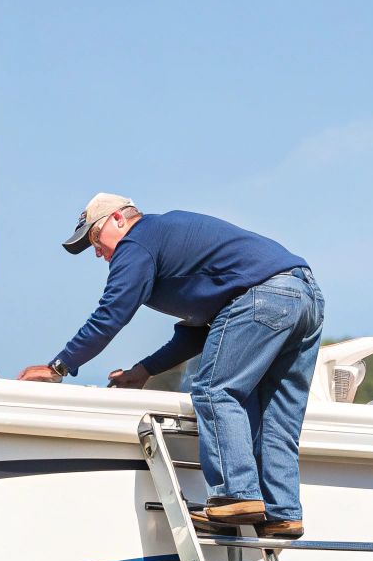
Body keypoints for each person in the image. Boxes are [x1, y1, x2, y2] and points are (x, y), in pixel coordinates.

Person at [19, 194, 324, 538]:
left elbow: (110, 314)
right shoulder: (167, 244)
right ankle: (282, 512)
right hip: (304, 296)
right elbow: (199, 334)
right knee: (276, 412)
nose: (96, 251)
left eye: (94, 237)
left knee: (214, 390)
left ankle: (235, 497)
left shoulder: (137, 242)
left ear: (120, 218)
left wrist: (58, 367)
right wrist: (145, 370)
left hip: (262, 296)